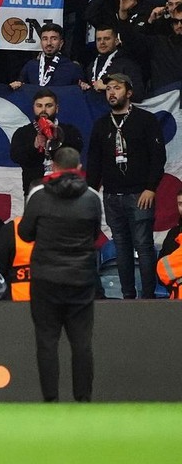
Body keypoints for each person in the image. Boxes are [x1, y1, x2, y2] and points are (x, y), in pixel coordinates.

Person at [19, 147, 103, 402]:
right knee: (82, 342)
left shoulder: (38, 195)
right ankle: (83, 399)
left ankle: (51, 400)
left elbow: (25, 233)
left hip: (45, 278)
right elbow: (94, 234)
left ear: (54, 167)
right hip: (81, 278)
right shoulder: (91, 197)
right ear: (78, 168)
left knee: (46, 340)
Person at [86, 73, 166, 299]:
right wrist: (91, 191)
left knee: (143, 245)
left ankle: (148, 296)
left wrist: (151, 187)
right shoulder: (101, 125)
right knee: (121, 247)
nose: (112, 92)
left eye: (117, 88)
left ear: (129, 92)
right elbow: (94, 162)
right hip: (112, 195)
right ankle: (128, 297)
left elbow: (157, 156)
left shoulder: (146, 120)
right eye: (109, 88)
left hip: (140, 193)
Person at [10, 90, 85, 194]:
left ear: (57, 108)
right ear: (33, 108)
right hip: (34, 191)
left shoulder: (69, 130)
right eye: (39, 106)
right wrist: (34, 145)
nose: (43, 110)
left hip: (65, 190)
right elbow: (15, 156)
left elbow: (76, 150)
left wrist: (57, 137)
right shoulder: (23, 132)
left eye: (49, 106)